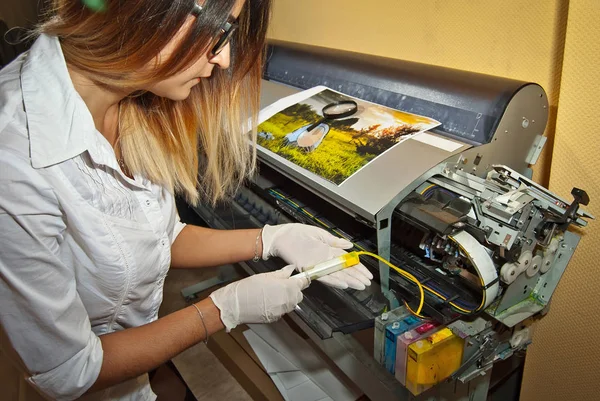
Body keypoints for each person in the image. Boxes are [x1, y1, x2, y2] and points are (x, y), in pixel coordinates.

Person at [0, 1, 373, 400]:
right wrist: (220, 310)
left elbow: (160, 237)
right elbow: (70, 370)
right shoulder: (15, 158)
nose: (225, 59)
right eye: (219, 29)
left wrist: (270, 239)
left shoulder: (133, 101)